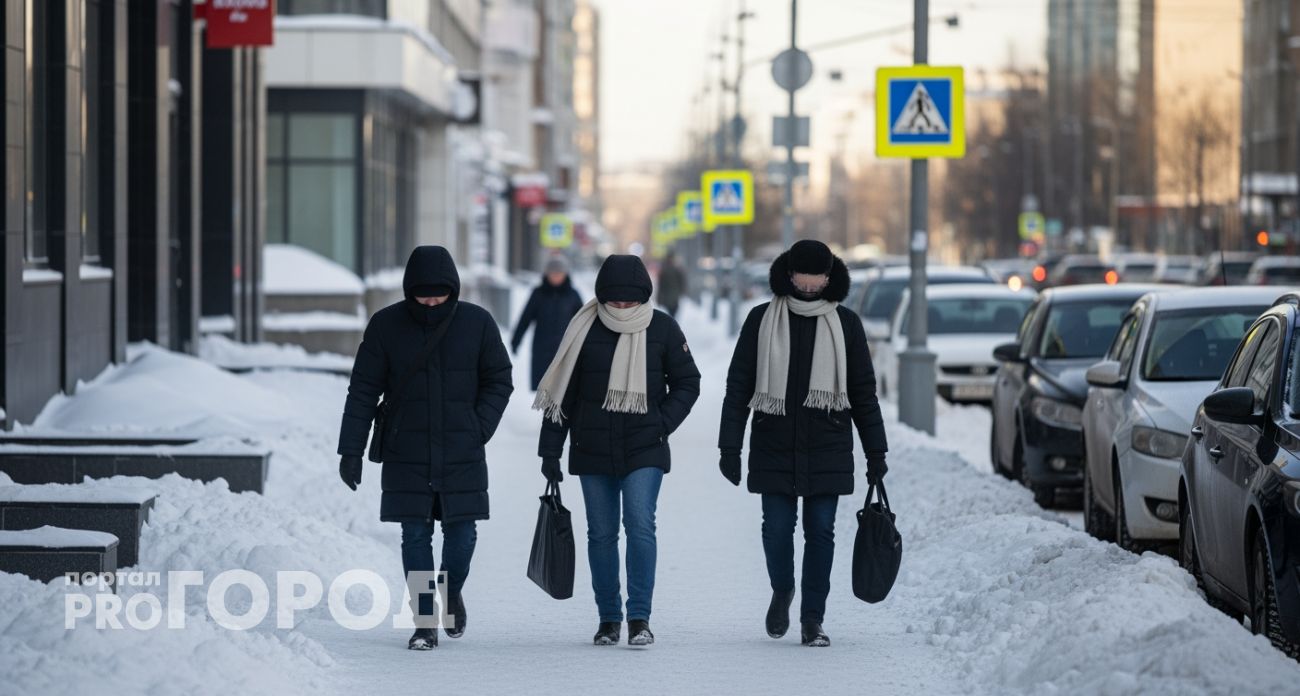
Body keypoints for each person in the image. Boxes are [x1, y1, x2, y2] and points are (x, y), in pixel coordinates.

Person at [337, 246, 514, 651]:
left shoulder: (477, 323)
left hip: (461, 447)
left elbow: (499, 379)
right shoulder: (385, 326)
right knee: (414, 534)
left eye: (440, 293)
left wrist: (478, 426)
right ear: (408, 290)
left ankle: (449, 593)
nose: (432, 301)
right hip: (406, 448)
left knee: (462, 533)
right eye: (423, 294)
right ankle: (424, 620)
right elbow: (363, 389)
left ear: (453, 288)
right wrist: (351, 449)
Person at [717, 240, 888, 648]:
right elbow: (738, 385)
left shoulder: (845, 324)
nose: (810, 287)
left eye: (818, 280)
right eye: (803, 279)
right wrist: (730, 447)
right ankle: (782, 589)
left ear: (829, 278)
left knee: (821, 531)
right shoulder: (762, 320)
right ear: (789, 275)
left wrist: (876, 452)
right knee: (776, 530)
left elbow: (864, 393)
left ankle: (813, 619)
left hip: (827, 442)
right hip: (773, 443)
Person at [534, 254, 700, 647]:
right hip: (592, 447)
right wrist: (550, 452)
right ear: (602, 296)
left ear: (644, 296)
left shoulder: (662, 328)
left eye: (630, 302)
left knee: (640, 526)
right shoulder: (582, 329)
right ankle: (609, 618)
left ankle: (639, 618)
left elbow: (688, 383)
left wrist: (661, 423)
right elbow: (563, 395)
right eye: (614, 301)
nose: (622, 308)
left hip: (645, 448)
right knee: (602, 534)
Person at [511, 256, 585, 391]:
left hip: (565, 349)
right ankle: (547, 412)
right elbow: (525, 318)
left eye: (559, 273)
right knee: (545, 389)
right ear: (547, 274)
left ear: (565, 274)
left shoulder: (573, 295)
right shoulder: (538, 294)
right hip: (542, 350)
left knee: (565, 388)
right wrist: (516, 340)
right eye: (553, 273)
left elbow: (583, 322)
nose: (556, 276)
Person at [656, 250, 687, 317]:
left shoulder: (664, 269)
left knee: (671, 312)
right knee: (673, 311)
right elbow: (682, 281)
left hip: (670, 295)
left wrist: (659, 298)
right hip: (672, 295)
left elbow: (660, 285)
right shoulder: (676, 268)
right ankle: (672, 323)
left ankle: (671, 323)